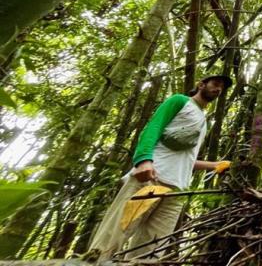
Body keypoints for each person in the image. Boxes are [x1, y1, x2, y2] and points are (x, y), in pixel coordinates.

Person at [86, 74, 233, 260]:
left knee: (152, 249)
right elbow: (153, 127)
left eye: (221, 88)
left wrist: (215, 165)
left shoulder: (203, 120)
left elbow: (186, 159)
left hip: (177, 190)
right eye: (215, 84)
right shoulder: (180, 101)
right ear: (201, 84)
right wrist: (143, 160)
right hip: (151, 177)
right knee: (114, 236)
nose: (218, 89)